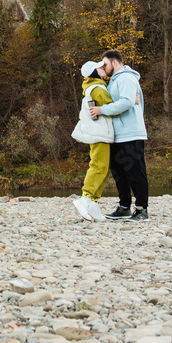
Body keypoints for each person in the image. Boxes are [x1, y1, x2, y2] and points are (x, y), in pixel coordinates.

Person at [90, 49, 149, 222]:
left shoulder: (126, 78)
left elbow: (127, 101)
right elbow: (126, 101)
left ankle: (142, 210)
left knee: (135, 172)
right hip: (118, 135)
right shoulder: (114, 81)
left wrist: (102, 110)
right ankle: (124, 207)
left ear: (115, 62)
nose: (104, 67)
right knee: (119, 173)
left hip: (130, 134)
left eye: (105, 64)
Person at [72, 59, 113, 222]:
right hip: (100, 133)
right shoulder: (97, 89)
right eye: (100, 67)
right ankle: (85, 198)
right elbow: (111, 108)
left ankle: (93, 204)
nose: (104, 68)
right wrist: (131, 103)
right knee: (99, 166)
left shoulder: (93, 87)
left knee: (103, 168)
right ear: (94, 72)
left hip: (100, 132)